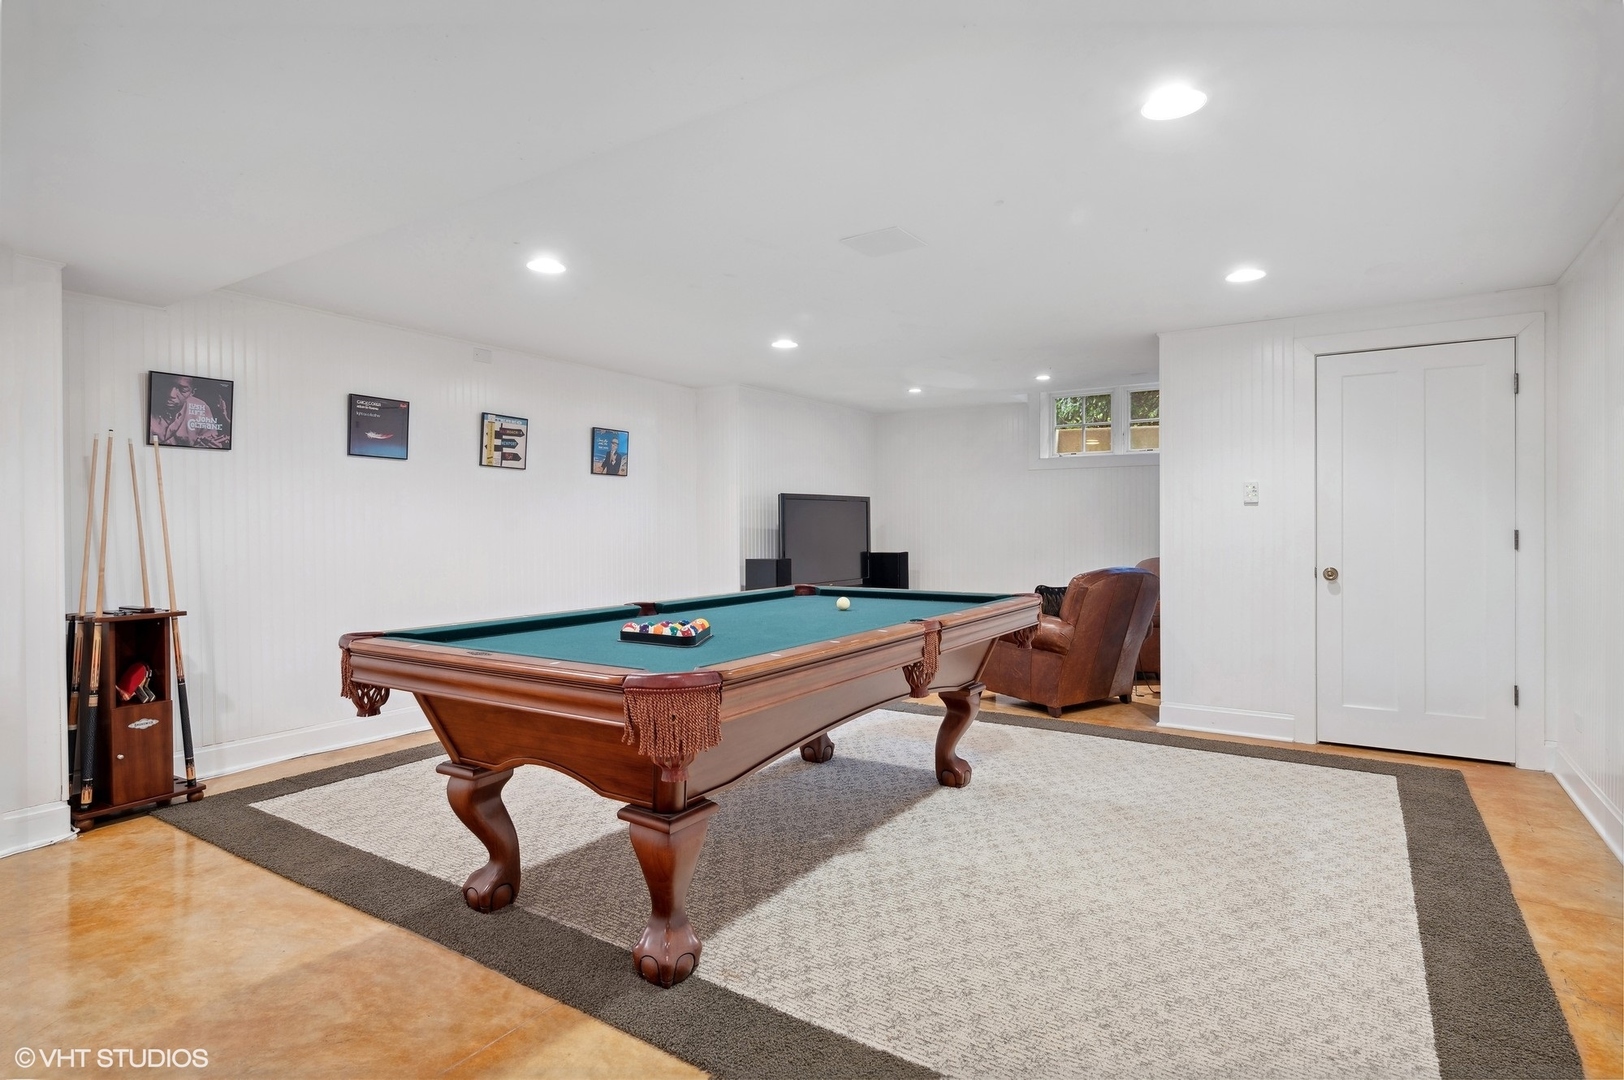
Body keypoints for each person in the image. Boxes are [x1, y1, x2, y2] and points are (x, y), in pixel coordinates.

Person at [151, 375, 228, 448]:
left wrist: (212, 447)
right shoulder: (149, 403)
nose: (171, 394)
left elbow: (211, 441)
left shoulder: (202, 408)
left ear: (192, 392)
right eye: (168, 385)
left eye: (183, 389)